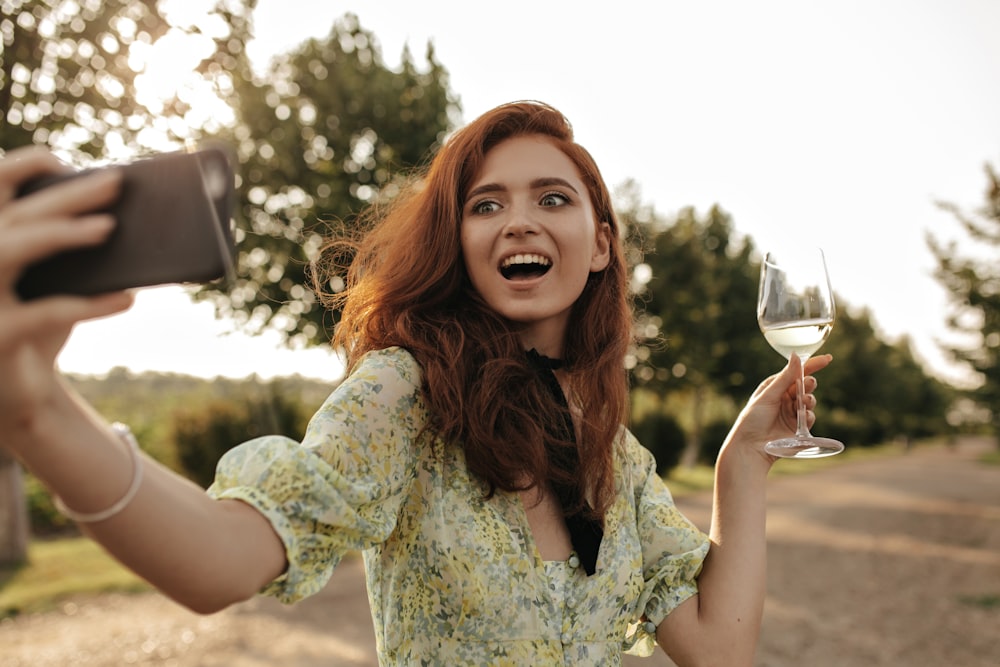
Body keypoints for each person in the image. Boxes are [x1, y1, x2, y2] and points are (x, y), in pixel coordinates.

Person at [0, 101, 832, 666]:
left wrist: (742, 465)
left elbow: (717, 647)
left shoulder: (614, 450)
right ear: (459, 241)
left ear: (601, 244)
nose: (518, 219)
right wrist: (37, 411)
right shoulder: (406, 392)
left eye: (552, 196)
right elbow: (220, 561)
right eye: (485, 204)